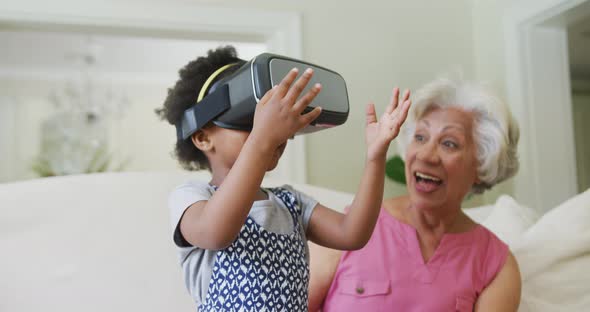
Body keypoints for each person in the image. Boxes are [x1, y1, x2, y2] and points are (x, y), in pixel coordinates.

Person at [155, 46, 411, 311]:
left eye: (272, 125)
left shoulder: (290, 203)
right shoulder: (193, 198)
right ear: (203, 137)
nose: (272, 134)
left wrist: (375, 155)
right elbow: (215, 233)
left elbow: (352, 233)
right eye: (250, 124)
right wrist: (263, 137)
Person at [309, 76, 522, 312]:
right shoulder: (345, 232)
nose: (426, 155)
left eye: (449, 143)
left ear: (482, 164)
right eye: (420, 138)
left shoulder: (496, 265)